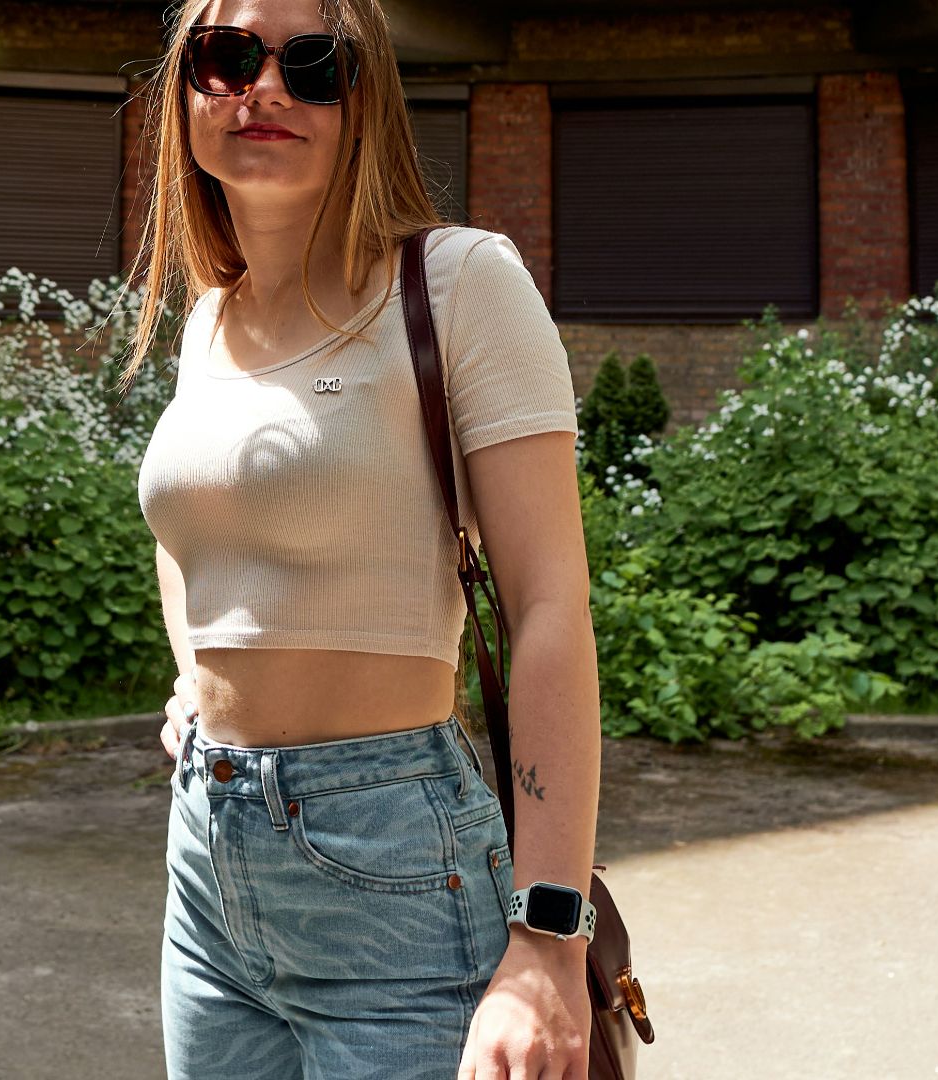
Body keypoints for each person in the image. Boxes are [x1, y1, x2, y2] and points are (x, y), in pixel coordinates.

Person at [123, 1, 602, 1076]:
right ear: (186, 87)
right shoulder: (208, 319)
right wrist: (195, 676)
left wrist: (548, 938)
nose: (267, 86)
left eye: (314, 64)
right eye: (227, 54)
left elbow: (549, 608)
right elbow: (188, 521)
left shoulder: (462, 284)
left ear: (365, 97)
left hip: (395, 859)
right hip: (206, 861)